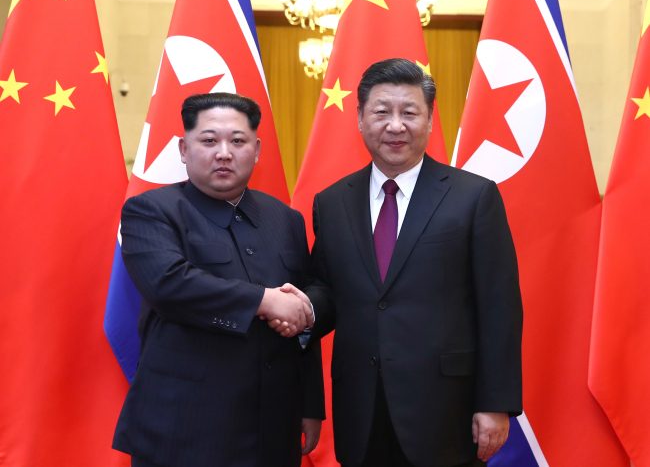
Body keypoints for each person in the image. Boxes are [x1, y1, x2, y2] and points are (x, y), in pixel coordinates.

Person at [277, 58, 523, 467]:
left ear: (429, 119)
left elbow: (499, 307)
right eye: (381, 112)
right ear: (359, 118)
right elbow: (327, 287)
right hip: (361, 404)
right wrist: (299, 310)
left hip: (447, 408)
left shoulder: (473, 197)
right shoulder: (333, 201)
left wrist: (496, 403)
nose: (395, 125)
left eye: (409, 112)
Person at [112, 92, 325, 467]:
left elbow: (302, 303)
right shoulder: (151, 210)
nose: (224, 152)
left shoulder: (285, 218)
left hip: (273, 424)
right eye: (209, 140)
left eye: (237, 141)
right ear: (183, 148)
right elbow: (169, 284)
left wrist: (308, 403)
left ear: (257, 150)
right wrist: (264, 301)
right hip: (183, 425)